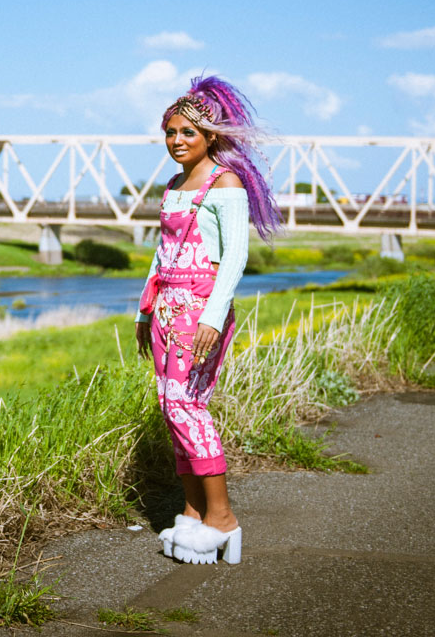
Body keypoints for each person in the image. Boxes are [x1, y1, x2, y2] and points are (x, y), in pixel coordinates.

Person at [135, 75, 281, 566]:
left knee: (187, 406)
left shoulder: (226, 184)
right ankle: (192, 510)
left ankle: (222, 518)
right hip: (166, 308)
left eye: (188, 133)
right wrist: (143, 311)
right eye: (170, 132)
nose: (177, 141)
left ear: (211, 136)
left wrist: (214, 319)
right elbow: (162, 253)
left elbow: (235, 257)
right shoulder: (175, 186)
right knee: (169, 406)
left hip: (200, 310)